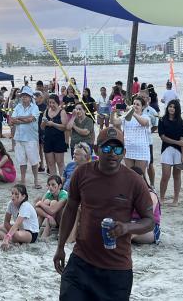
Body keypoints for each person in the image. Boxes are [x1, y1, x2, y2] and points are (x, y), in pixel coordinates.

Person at [54, 127, 154, 299]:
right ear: (96, 149)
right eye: (107, 148)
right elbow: (70, 209)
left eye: (117, 149)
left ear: (124, 152)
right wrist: (60, 247)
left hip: (116, 269)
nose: (112, 153)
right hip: (81, 262)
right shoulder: (82, 173)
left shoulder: (135, 181)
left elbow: (150, 221)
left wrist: (126, 228)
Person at [158, 99, 183, 206]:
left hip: (178, 151)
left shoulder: (182, 123)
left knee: (177, 176)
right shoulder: (162, 120)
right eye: (170, 106)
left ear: (177, 109)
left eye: (174, 107)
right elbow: (163, 137)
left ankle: (176, 199)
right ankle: (161, 198)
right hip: (166, 149)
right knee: (165, 175)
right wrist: (177, 142)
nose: (171, 108)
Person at [0, 184, 40, 250]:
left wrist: (7, 237)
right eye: (12, 193)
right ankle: (12, 241)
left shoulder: (25, 206)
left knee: (15, 234)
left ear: (23, 196)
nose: (13, 196)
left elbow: (16, 224)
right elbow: (6, 222)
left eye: (16, 194)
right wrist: (8, 235)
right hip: (18, 229)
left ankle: (9, 240)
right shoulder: (11, 204)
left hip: (31, 233)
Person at [10, 87, 42, 189]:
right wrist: (24, 119)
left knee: (34, 161)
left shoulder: (35, 107)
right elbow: (12, 120)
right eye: (23, 96)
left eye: (26, 96)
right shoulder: (18, 107)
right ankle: (23, 179)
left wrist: (19, 118)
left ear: (30, 97)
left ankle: (36, 180)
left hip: (31, 138)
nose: (24, 97)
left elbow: (31, 119)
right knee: (21, 160)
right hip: (19, 137)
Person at [41, 94, 69, 179]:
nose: (51, 104)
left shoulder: (62, 112)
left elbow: (64, 127)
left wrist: (53, 124)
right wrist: (44, 123)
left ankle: (62, 181)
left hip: (58, 139)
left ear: (58, 103)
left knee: (60, 162)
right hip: (48, 139)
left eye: (53, 103)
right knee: (50, 163)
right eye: (50, 103)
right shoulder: (46, 111)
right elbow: (42, 127)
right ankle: (53, 182)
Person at [123, 96, 152, 174]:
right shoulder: (126, 117)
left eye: (138, 104)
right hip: (128, 149)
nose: (135, 106)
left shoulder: (146, 117)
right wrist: (113, 112)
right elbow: (115, 122)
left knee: (139, 176)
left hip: (141, 150)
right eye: (134, 104)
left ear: (142, 107)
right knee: (130, 176)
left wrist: (133, 113)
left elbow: (143, 123)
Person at [35, 175, 68, 239]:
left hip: (65, 221)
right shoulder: (49, 194)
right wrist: (49, 217)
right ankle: (35, 230)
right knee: (46, 201)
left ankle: (46, 232)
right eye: (49, 185)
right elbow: (37, 209)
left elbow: (53, 210)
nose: (50, 187)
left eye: (53, 185)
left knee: (53, 203)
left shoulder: (64, 194)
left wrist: (41, 204)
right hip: (53, 220)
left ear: (60, 186)